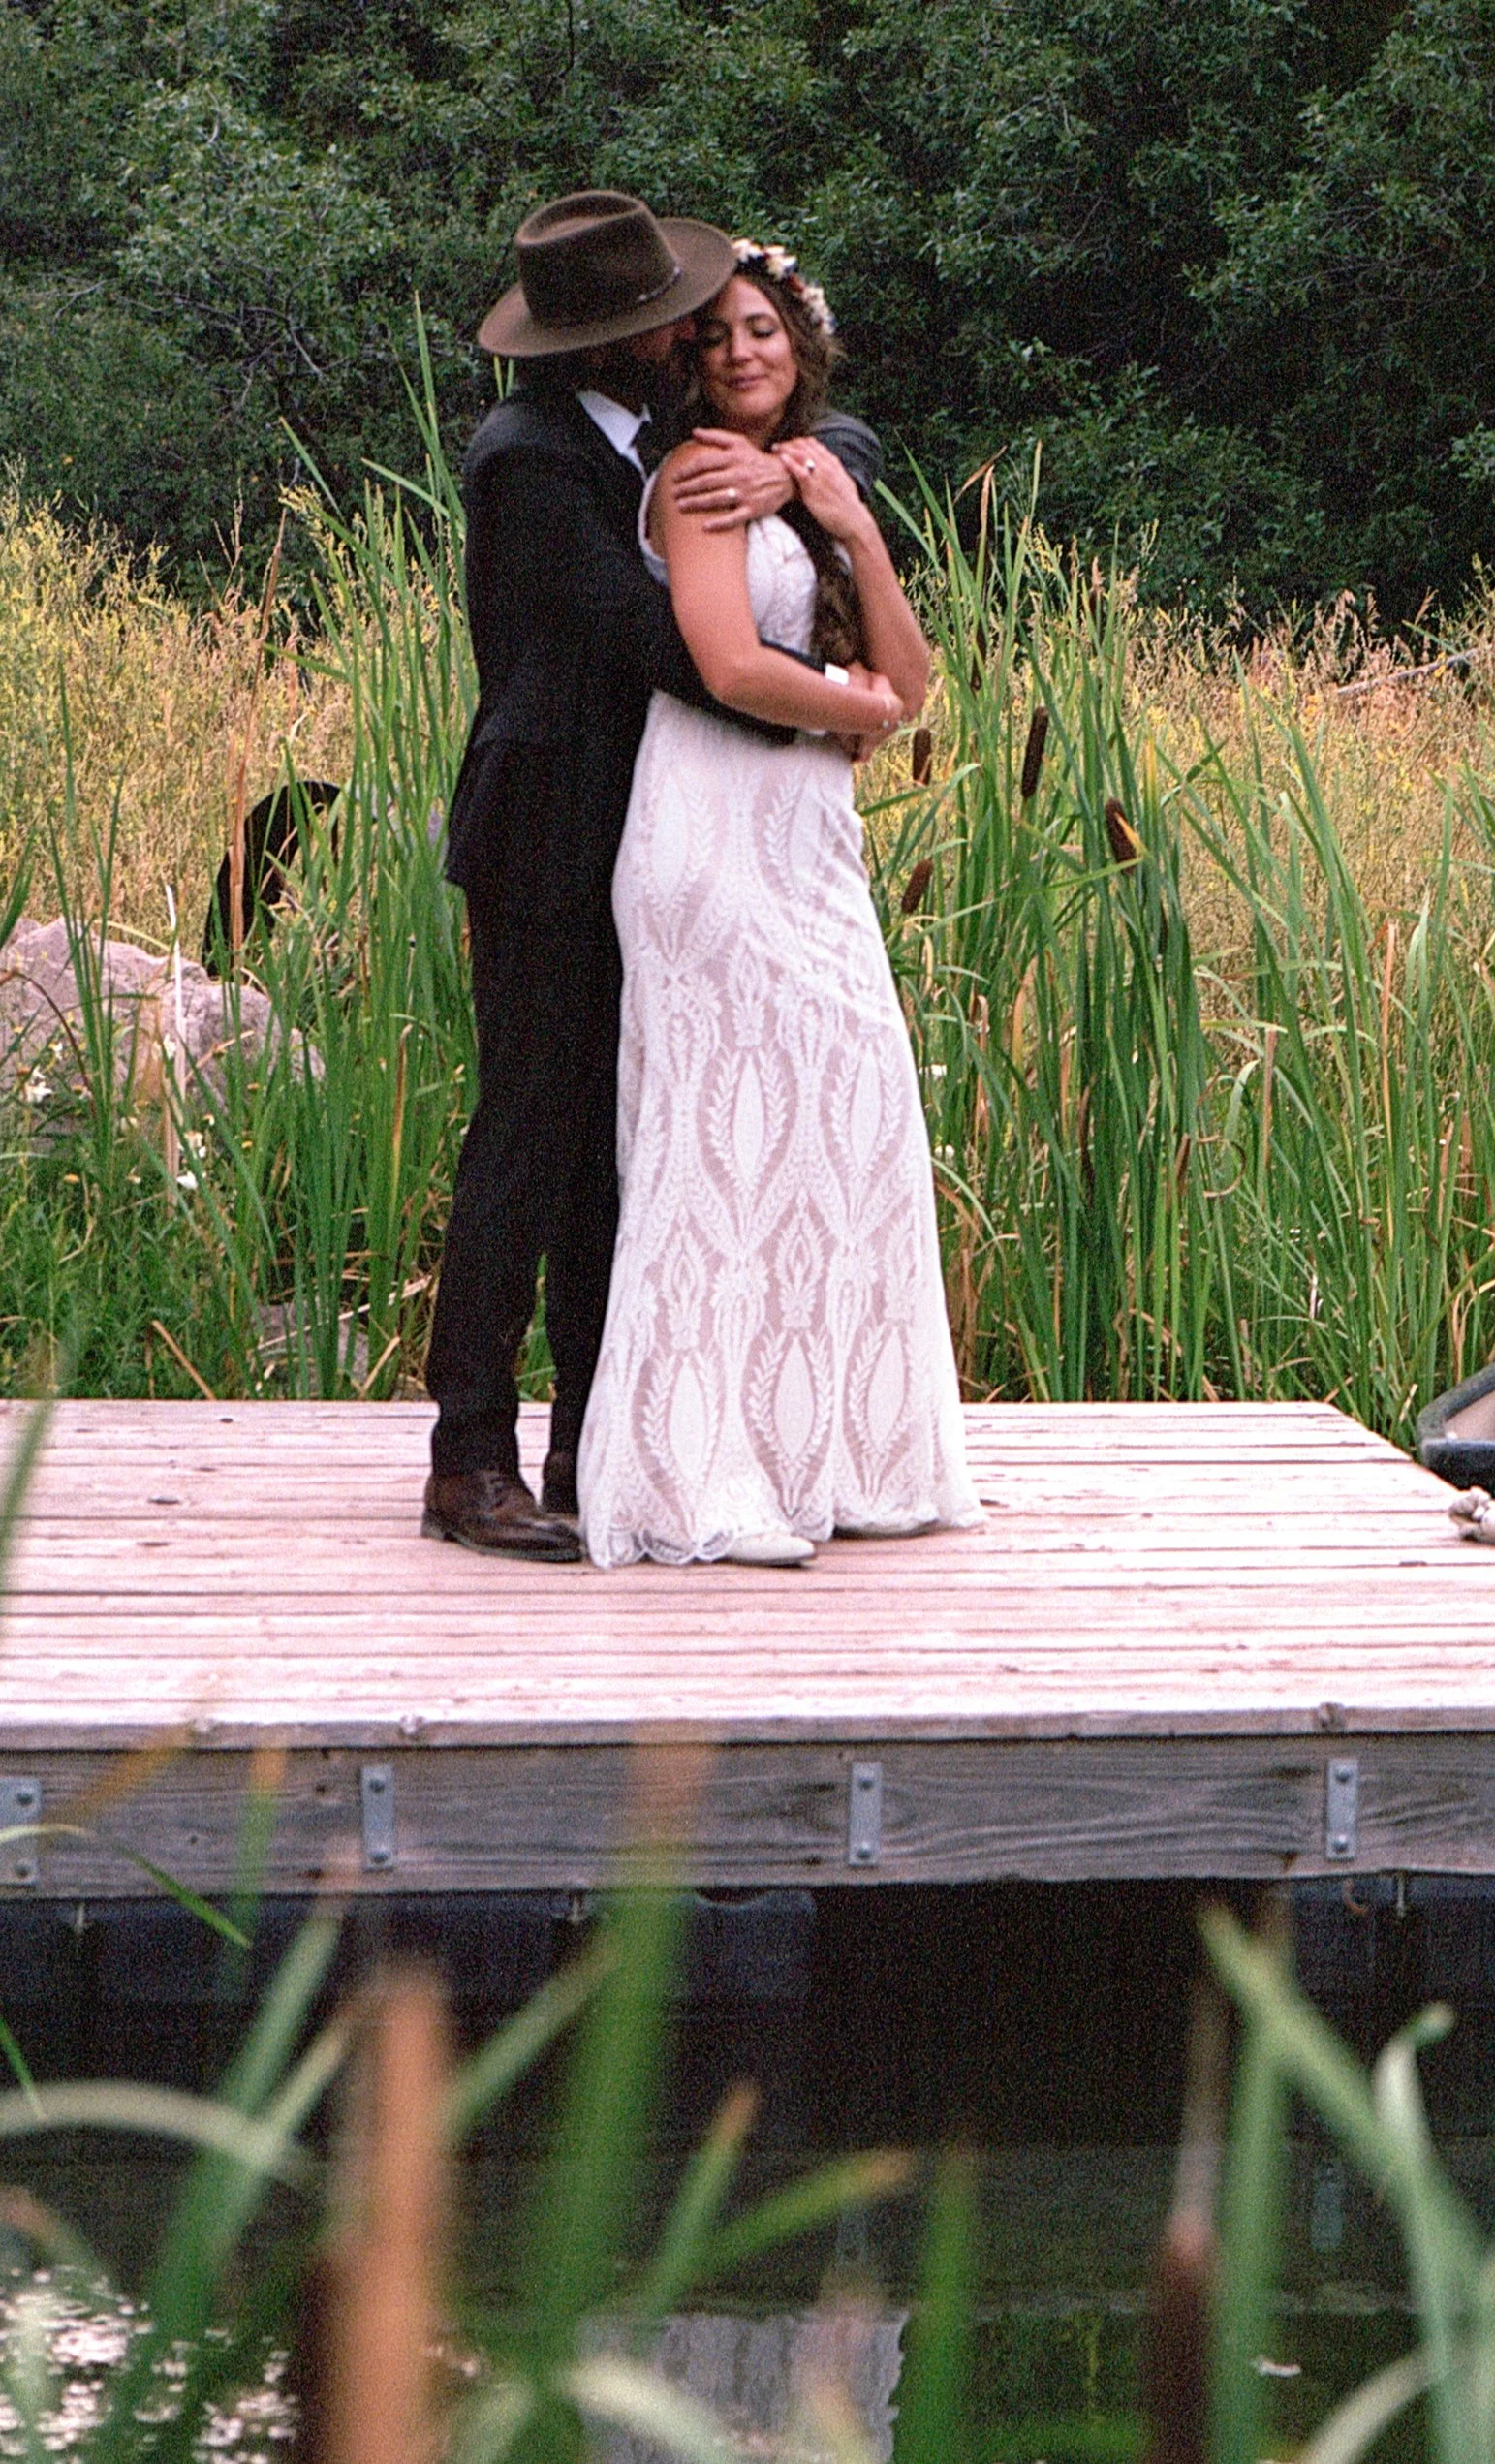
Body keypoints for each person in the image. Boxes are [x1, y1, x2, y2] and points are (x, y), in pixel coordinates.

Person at [423, 191, 868, 1562]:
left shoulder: (666, 439)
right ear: (605, 346)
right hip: (551, 836)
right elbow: (664, 643)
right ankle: (469, 1457)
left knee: (628, 1151)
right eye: (667, 322)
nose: (695, 337)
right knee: (529, 1138)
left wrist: (798, 476)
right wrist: (845, 701)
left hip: (660, 848)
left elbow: (837, 431)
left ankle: (590, 1444)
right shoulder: (530, 460)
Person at [576, 243, 981, 1565]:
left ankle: (839, 1445)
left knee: (849, 1106)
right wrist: (850, 705)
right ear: (689, 363)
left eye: (763, 330)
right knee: (722, 1140)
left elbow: (914, 677)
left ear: (800, 348)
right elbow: (729, 662)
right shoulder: (695, 483)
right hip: (707, 825)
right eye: (716, 338)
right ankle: (704, 1469)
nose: (741, 352)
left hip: (810, 838)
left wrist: (852, 523)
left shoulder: (817, 490)